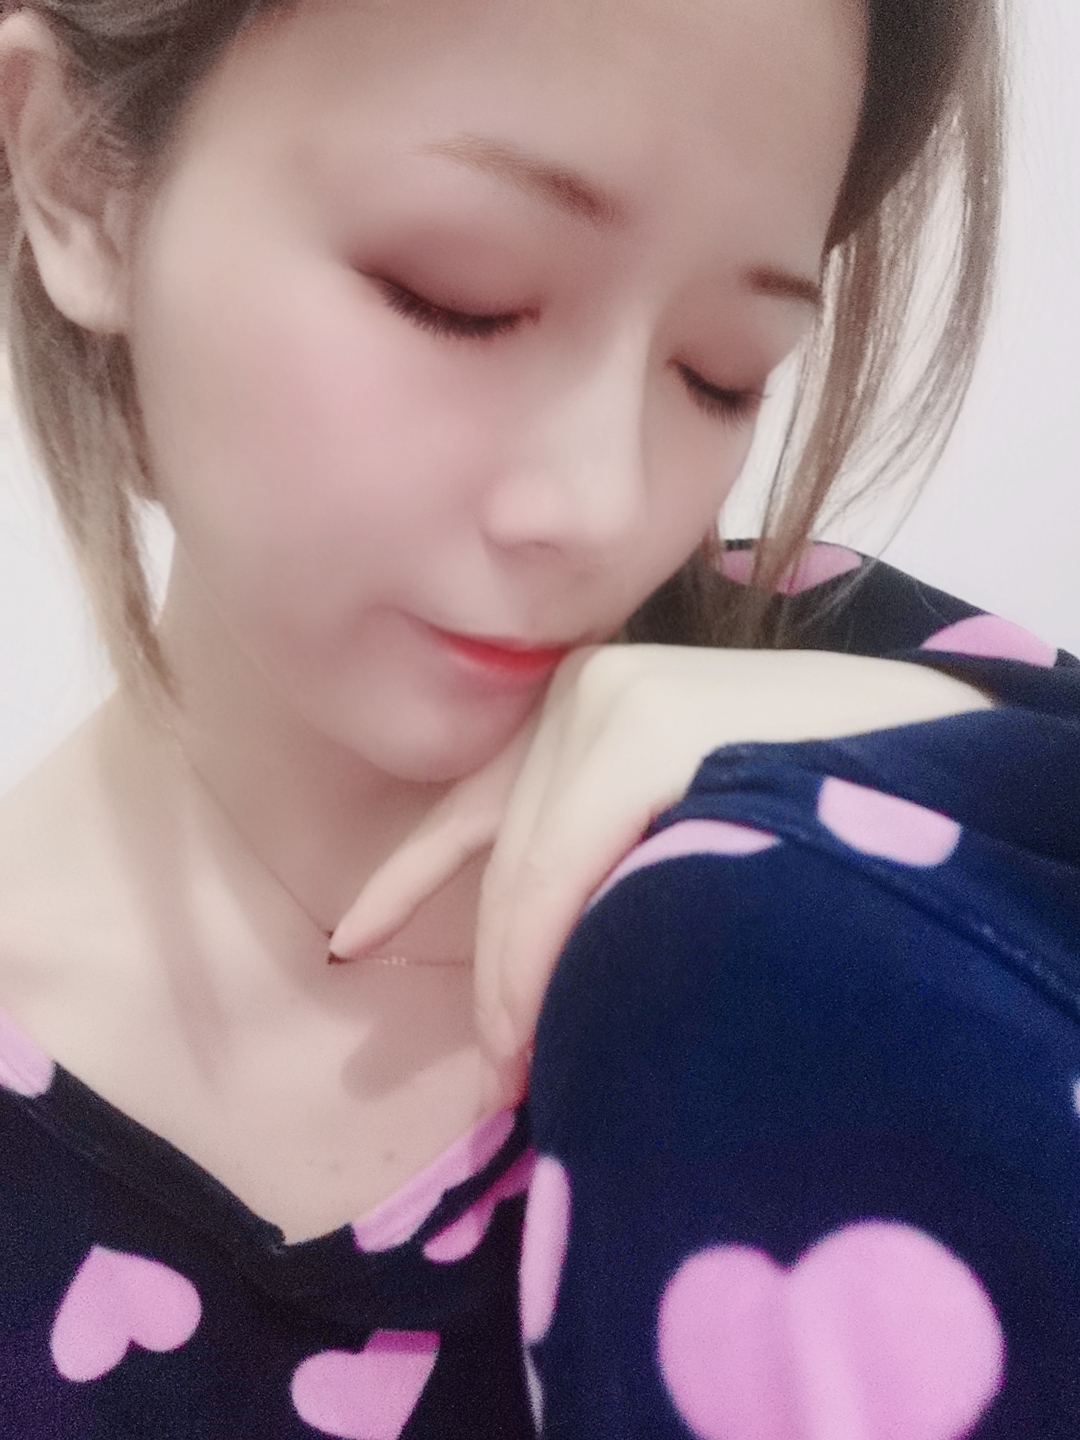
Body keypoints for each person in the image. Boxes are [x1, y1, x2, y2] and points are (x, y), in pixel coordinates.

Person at [0, 0, 1073, 1435]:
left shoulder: (900, 703)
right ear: (78, 168)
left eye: (722, 371)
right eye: (461, 295)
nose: (603, 506)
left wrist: (935, 787)